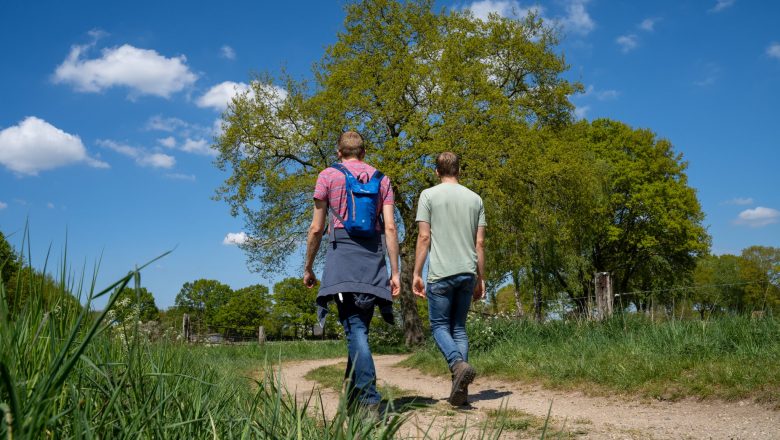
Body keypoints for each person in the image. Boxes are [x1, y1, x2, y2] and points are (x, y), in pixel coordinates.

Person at [303, 130, 401, 410]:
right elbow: (391, 227)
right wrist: (395, 272)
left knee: (355, 329)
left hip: (342, 258)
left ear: (339, 152)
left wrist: (308, 267)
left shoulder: (327, 176)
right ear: (364, 152)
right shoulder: (382, 179)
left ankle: (370, 400)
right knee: (359, 328)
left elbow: (316, 228)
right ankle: (354, 398)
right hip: (373, 259)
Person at [412, 151, 486, 407]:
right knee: (459, 329)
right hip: (467, 272)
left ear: (436, 171)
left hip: (441, 273)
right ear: (459, 171)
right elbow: (479, 243)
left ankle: (457, 365)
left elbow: (424, 237)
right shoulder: (475, 199)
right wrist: (481, 278)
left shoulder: (428, 196)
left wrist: (416, 273)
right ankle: (461, 391)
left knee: (440, 327)